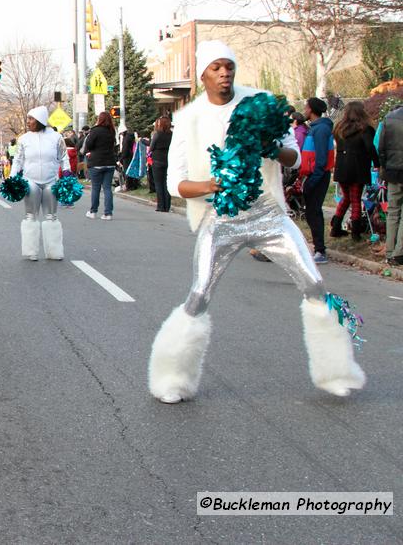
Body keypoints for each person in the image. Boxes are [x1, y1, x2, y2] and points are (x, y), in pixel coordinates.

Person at [147, 41, 364, 405]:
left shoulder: (260, 102)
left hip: (268, 213)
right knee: (199, 294)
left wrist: (272, 146)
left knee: (314, 282)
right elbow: (174, 184)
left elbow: (293, 158)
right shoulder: (190, 118)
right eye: (216, 67)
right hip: (221, 218)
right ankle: (172, 377)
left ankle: (337, 372)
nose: (224, 72)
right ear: (203, 75)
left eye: (229, 66)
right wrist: (211, 185)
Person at [12, 106, 71, 261]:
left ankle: (54, 252)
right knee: (30, 215)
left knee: (51, 216)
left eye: (31, 119)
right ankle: (31, 251)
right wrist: (13, 177)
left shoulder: (56, 137)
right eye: (28, 119)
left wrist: (66, 173)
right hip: (31, 181)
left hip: (51, 181)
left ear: (40, 120)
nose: (28, 122)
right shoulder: (23, 139)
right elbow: (17, 160)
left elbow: (63, 157)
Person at [331, 101, 379, 241]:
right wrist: (377, 163)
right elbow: (370, 147)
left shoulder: (339, 128)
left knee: (346, 198)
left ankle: (335, 227)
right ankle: (356, 233)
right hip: (358, 167)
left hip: (341, 168)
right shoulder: (364, 128)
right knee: (356, 199)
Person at [300, 97, 334, 263]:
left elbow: (321, 158)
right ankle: (317, 248)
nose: (304, 110)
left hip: (318, 175)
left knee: (314, 211)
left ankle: (320, 251)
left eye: (306, 108)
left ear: (312, 110)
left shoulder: (320, 129)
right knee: (311, 212)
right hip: (313, 175)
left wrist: (313, 180)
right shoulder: (314, 128)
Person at [377, 102, 403, 266]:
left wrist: (384, 167)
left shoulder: (390, 117)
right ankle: (399, 252)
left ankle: (390, 250)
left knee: (393, 211)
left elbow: (382, 147)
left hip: (393, 171)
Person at [83, 112, 117, 220]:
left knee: (96, 188)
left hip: (96, 162)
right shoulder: (112, 131)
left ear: (99, 119)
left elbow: (89, 144)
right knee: (107, 188)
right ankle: (108, 213)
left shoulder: (95, 130)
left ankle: (93, 211)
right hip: (110, 162)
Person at [150, 117, 172, 212]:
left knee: (158, 183)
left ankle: (160, 206)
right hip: (168, 160)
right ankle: (167, 206)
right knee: (166, 183)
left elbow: (151, 147)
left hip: (157, 160)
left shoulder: (157, 134)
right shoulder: (171, 135)